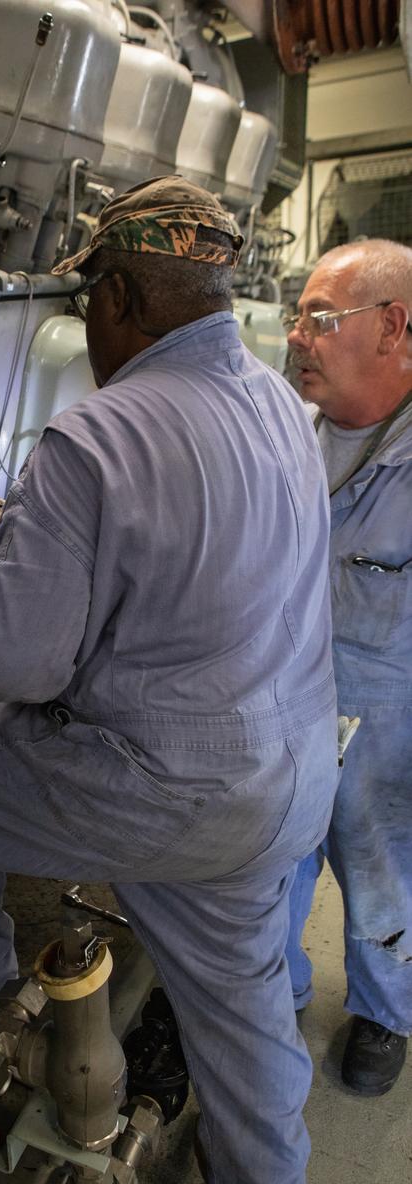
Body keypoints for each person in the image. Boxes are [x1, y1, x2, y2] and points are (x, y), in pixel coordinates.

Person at [0, 177, 339, 1184]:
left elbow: (9, 660)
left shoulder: (97, 435)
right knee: (239, 1004)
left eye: (92, 297)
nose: (86, 322)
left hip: (168, 788)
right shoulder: (279, 402)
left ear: (126, 294)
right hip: (284, 778)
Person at [284, 239, 412, 1097]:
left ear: (394, 327)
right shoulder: (285, 432)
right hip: (284, 702)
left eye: (320, 319)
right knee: (270, 868)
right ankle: (272, 996)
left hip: (387, 711)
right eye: (298, 316)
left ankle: (383, 1012)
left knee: (383, 875)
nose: (296, 336)